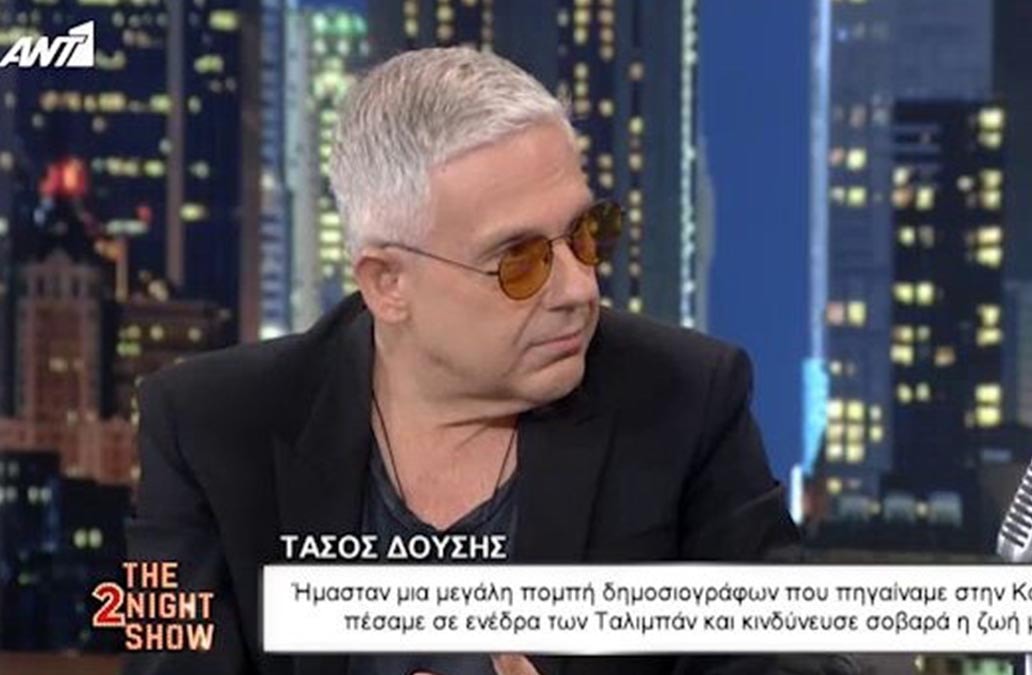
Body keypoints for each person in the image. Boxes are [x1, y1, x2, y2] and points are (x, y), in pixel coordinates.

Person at [124, 47, 858, 675]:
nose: (580, 288)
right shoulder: (208, 427)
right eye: (519, 260)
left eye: (586, 234)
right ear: (388, 283)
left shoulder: (684, 399)